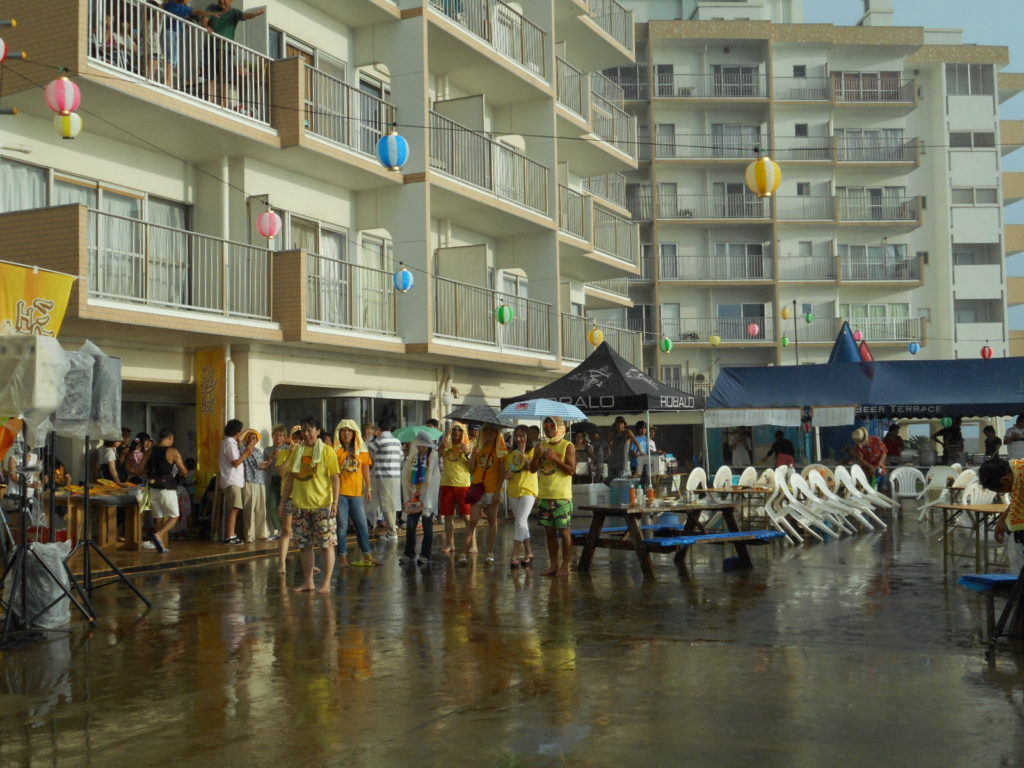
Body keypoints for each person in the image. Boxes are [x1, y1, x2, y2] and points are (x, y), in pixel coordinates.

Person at [278, 418, 340, 594]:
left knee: (326, 545)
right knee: (304, 546)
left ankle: (326, 582)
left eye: (310, 430)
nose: (306, 434)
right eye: (303, 431)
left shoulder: (327, 451)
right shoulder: (297, 452)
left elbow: (335, 478)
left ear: (318, 431)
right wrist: (283, 502)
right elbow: (290, 478)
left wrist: (335, 502)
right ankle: (308, 582)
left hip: (322, 505)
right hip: (300, 505)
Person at [530, 416, 576, 577]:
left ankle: (565, 565)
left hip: (561, 497)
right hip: (544, 496)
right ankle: (554, 564)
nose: (548, 427)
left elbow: (571, 470)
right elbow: (532, 469)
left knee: (564, 531)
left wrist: (555, 459)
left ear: (559, 427)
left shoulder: (567, 446)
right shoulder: (542, 445)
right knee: (549, 532)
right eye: (545, 424)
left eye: (551, 425)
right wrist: (536, 455)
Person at [333, 419, 379, 567]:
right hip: (340, 494)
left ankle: (367, 554)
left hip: (357, 493)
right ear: (339, 433)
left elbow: (365, 468)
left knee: (362, 525)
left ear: (354, 433)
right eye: (343, 431)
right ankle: (342, 557)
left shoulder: (362, 450)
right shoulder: (335, 451)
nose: (346, 434)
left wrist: (369, 488)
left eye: (349, 431)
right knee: (342, 526)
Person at [203, 0, 265, 106]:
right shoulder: (212, 8)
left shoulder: (234, 13)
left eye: (225, 0)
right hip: (211, 46)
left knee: (225, 78)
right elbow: (205, 19)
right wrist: (206, 26)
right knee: (211, 76)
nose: (222, 1)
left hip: (226, 49)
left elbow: (245, 16)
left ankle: (224, 103)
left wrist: (254, 15)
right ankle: (210, 100)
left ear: (231, 1)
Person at [460, 424, 507, 565]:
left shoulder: (501, 450)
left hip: (493, 489)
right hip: (478, 488)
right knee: (473, 520)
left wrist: (498, 492)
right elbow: (470, 469)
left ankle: (490, 552)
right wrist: (472, 454)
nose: (489, 433)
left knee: (492, 520)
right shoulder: (478, 447)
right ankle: (463, 552)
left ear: (497, 432)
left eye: (492, 430)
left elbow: (502, 473)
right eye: (486, 430)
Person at [399, 431, 440, 566]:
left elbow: (432, 478)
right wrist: (412, 490)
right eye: (419, 445)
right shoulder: (413, 457)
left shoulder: (432, 456)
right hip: (414, 496)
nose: (421, 448)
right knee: (411, 525)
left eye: (424, 445)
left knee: (427, 526)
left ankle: (425, 554)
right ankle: (409, 553)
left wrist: (424, 492)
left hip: (427, 496)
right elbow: (406, 475)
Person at [977, 458, 1024, 576]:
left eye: (1003, 491)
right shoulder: (1017, 473)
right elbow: (1019, 499)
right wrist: (1002, 519)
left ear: (1005, 479)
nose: (1008, 493)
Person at [146, 427, 189, 553]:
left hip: (152, 487)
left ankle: (160, 545)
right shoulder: (173, 452)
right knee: (174, 516)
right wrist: (185, 474)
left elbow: (142, 466)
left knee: (158, 517)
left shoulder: (150, 450)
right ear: (170, 438)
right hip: (167, 487)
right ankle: (159, 535)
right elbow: (183, 469)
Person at [506, 425, 537, 570]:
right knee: (521, 522)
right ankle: (529, 552)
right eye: (517, 436)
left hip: (528, 490)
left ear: (527, 437)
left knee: (521, 521)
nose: (519, 439)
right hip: (513, 490)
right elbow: (510, 469)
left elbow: (530, 468)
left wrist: (523, 454)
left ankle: (514, 554)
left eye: (522, 436)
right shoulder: (511, 453)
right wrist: (507, 474)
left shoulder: (533, 451)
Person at [438, 422, 472, 554]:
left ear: (463, 432)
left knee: (466, 517)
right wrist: (440, 449)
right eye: (454, 429)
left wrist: (467, 453)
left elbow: (472, 468)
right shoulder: (446, 443)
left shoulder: (468, 445)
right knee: (448, 516)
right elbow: (435, 459)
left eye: (459, 430)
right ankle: (450, 544)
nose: (457, 432)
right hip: (447, 483)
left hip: (463, 484)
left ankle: (471, 542)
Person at [367, 420, 403, 541]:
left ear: (380, 430)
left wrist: (372, 437)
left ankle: (392, 532)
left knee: (386, 504)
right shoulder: (397, 441)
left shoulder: (380, 440)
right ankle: (392, 529)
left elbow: (368, 449)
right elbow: (401, 457)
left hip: (383, 476)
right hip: (396, 476)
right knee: (392, 504)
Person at [218, 419, 252, 544]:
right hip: (231, 479)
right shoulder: (230, 443)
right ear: (236, 432)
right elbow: (235, 462)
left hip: (233, 480)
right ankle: (230, 535)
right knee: (235, 507)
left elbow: (239, 439)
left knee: (235, 507)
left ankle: (232, 534)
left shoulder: (229, 441)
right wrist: (246, 454)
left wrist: (246, 432)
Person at [240, 429, 272, 542]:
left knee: (261, 509)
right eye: (250, 437)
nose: (252, 440)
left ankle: (261, 534)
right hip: (248, 481)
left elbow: (262, 466)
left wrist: (271, 458)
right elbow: (239, 440)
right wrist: (247, 431)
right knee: (249, 509)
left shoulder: (258, 451)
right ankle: (249, 535)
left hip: (259, 481)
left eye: (254, 438)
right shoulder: (242, 449)